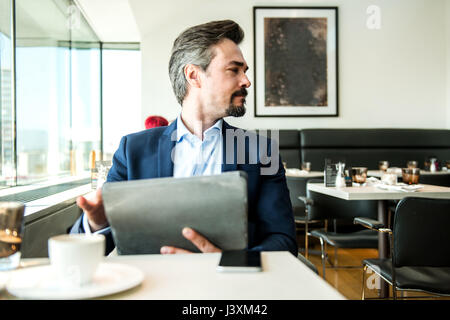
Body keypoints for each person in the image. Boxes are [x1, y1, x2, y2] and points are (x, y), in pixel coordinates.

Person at [71, 20, 297, 257]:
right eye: (234, 70)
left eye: (245, 71)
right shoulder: (133, 150)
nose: (246, 81)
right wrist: (96, 224)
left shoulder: (261, 151)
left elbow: (283, 241)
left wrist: (226, 261)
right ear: (193, 75)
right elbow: (95, 246)